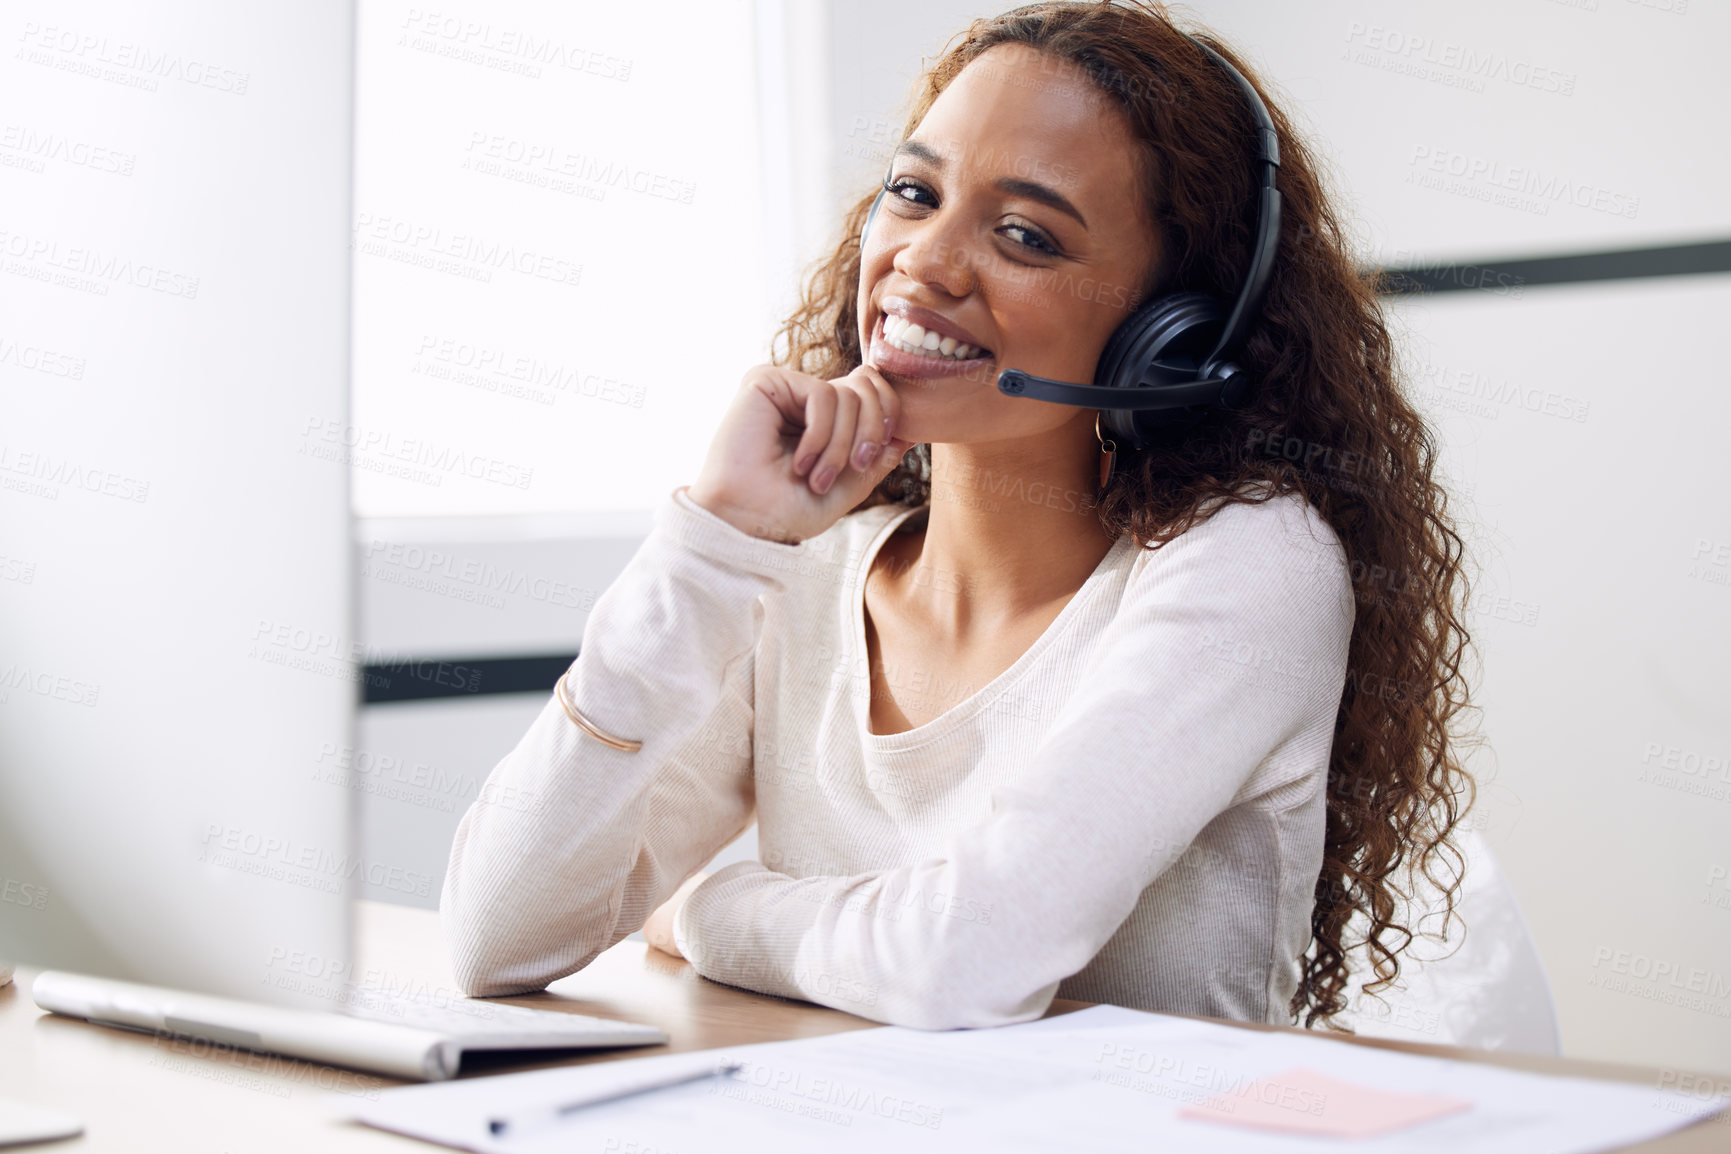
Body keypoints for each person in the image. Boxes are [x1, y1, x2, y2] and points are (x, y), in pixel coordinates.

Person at [441, 0, 1477, 1032]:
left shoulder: (1249, 564)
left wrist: (710, 903)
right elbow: (499, 934)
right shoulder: (806, 574)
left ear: (1169, 335)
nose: (925, 264)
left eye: (1025, 234)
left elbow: (960, 964)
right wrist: (713, 544)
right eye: (912, 192)